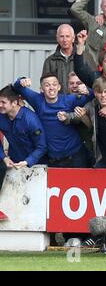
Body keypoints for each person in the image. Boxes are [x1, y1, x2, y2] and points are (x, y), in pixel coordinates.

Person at [13, 75, 93, 168]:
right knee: (57, 183)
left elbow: (92, 95)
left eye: (54, 84)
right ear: (41, 89)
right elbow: (17, 87)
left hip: (76, 154)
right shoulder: (37, 100)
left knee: (81, 182)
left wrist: (87, 90)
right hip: (54, 158)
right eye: (47, 85)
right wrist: (21, 81)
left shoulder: (68, 100)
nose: (51, 88)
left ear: (59, 87)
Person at [0, 85, 47, 221]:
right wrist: (3, 157)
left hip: (36, 166)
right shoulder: (1, 116)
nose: (0, 105)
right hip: (14, 163)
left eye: (3, 102)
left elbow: (42, 146)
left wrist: (27, 162)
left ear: (14, 103)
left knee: (36, 204)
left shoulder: (30, 119)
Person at [42, 24, 76, 93]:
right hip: (58, 101)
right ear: (57, 38)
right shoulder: (50, 61)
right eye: (61, 36)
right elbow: (45, 84)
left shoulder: (83, 58)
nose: (65, 40)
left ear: (73, 38)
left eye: (67, 36)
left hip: (79, 100)